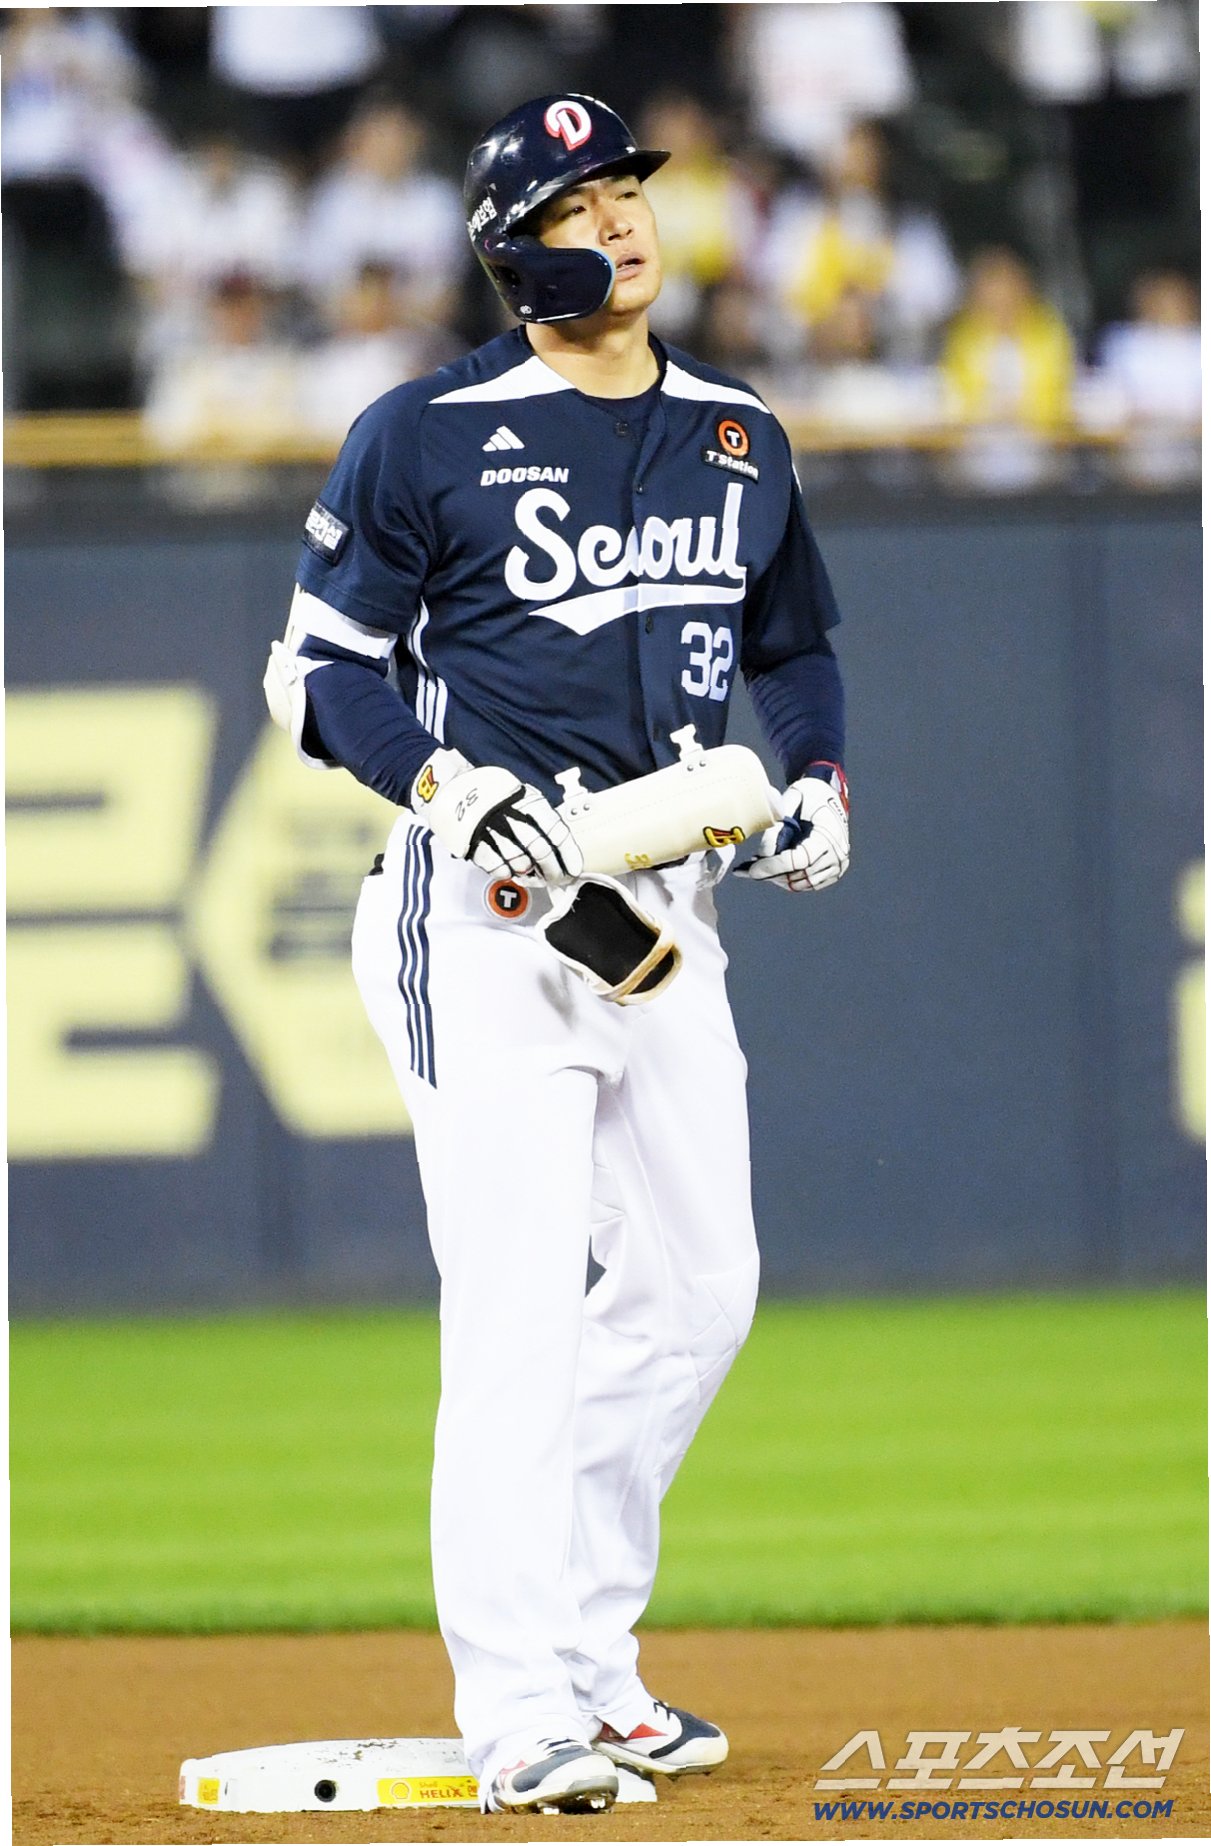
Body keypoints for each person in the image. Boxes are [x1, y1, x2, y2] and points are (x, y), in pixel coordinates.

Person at [263, 93, 849, 1817]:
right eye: (583, 204)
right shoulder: (426, 432)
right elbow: (315, 672)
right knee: (521, 1309)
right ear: (516, 249)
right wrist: (446, 787)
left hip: (665, 917)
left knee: (699, 1293)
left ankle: (593, 1661)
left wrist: (819, 782)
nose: (625, 223)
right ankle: (518, 1704)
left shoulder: (740, 432)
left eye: (632, 193)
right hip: (487, 915)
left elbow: (794, 647)